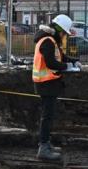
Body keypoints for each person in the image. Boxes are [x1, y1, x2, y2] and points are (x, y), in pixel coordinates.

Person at [32, 14, 81, 161]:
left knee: (48, 115)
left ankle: (46, 144)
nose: (65, 36)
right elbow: (51, 63)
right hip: (46, 83)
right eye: (64, 33)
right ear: (60, 30)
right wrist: (68, 67)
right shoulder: (47, 41)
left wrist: (73, 61)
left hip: (48, 83)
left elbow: (59, 56)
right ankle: (43, 148)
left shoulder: (50, 40)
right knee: (47, 116)